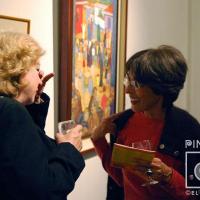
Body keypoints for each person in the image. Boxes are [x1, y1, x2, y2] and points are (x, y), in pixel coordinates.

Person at [91, 45, 200, 200]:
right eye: (127, 81)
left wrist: (168, 176)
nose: (127, 90)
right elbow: (121, 179)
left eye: (136, 84)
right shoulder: (122, 122)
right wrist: (98, 141)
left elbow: (196, 192)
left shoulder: (189, 129)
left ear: (160, 87)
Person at [0, 31, 85, 200]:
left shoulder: (7, 108)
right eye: (36, 68)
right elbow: (46, 190)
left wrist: (32, 101)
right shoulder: (10, 111)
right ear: (19, 69)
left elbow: (23, 157)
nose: (40, 76)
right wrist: (70, 148)